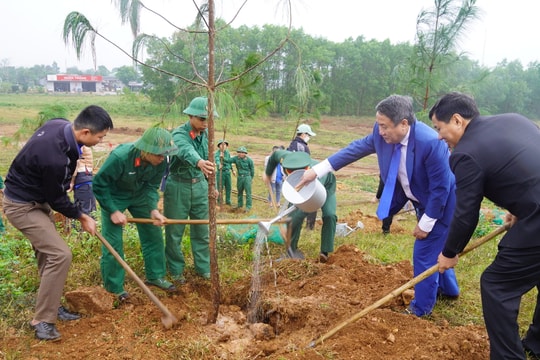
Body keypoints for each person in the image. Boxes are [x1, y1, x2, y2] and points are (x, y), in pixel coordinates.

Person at [296, 94, 460, 317]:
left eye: (384, 126)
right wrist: (315, 171)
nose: (380, 131)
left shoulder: (430, 142)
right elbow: (354, 150)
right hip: (418, 197)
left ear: (404, 124)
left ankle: (420, 309)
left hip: (442, 203)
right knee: (436, 248)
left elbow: (441, 188)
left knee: (424, 252)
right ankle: (449, 290)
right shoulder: (381, 134)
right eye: (378, 125)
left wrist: (426, 222)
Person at [430, 92, 540, 359]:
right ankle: (538, 344)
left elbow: (466, 213)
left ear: (456, 120)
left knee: (497, 285)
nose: (439, 136)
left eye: (439, 128)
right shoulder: (513, 120)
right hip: (533, 211)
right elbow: (524, 166)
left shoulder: (465, 154)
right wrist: (518, 208)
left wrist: (449, 252)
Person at [2, 105, 113, 341]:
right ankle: (43, 320)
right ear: (84, 132)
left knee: (47, 254)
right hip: (22, 206)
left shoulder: (59, 124)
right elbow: (57, 200)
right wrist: (82, 216)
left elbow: (54, 194)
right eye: (100, 137)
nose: (100, 141)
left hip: (36, 198)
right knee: (60, 254)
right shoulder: (53, 157)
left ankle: (50, 306)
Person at [93, 127, 179, 301]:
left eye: (164, 155)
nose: (162, 158)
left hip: (140, 195)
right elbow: (99, 184)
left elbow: (150, 186)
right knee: (113, 243)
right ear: (146, 150)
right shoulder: (120, 157)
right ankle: (114, 288)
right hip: (114, 196)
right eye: (159, 154)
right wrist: (113, 210)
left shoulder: (160, 162)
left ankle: (155, 276)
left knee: (153, 234)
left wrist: (153, 209)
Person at [164, 96, 218, 283]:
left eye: (208, 120)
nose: (205, 124)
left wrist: (214, 186)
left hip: (200, 186)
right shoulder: (179, 134)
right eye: (202, 119)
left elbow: (212, 162)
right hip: (179, 186)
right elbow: (185, 150)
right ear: (191, 116)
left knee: (201, 229)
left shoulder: (206, 135)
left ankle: (203, 268)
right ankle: (176, 270)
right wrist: (199, 162)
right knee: (175, 230)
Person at [264, 150, 337, 263]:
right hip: (301, 187)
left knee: (329, 215)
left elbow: (310, 201)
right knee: (294, 218)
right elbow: (274, 155)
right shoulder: (287, 158)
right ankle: (291, 252)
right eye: (290, 173)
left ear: (306, 169)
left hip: (324, 186)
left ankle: (325, 252)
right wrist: (268, 174)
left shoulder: (316, 175)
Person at [288, 123, 317, 230]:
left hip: (292, 178)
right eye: (308, 135)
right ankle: (308, 226)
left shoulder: (292, 145)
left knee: (293, 202)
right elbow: (304, 164)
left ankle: (291, 222)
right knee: (312, 201)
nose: (309, 137)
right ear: (303, 134)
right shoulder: (301, 147)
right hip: (302, 178)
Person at [70, 145, 97, 216]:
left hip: (82, 178)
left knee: (85, 211)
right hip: (85, 180)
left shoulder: (80, 146)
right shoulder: (84, 145)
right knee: (86, 210)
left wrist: (72, 181)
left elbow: (77, 163)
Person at [228, 146, 255, 212]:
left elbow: (252, 170)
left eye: (242, 152)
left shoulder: (249, 160)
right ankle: (240, 204)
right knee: (239, 191)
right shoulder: (236, 159)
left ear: (245, 153)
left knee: (248, 192)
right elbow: (228, 161)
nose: (240, 154)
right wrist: (222, 156)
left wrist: (251, 178)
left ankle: (248, 206)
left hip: (247, 177)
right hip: (240, 177)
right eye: (239, 152)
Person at [214, 139, 234, 206]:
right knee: (220, 187)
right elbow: (217, 159)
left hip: (227, 172)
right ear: (219, 146)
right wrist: (219, 164)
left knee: (228, 187)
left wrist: (232, 169)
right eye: (221, 145)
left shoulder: (227, 153)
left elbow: (229, 161)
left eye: (225, 145)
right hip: (221, 173)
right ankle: (220, 201)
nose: (223, 146)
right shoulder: (217, 153)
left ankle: (228, 201)